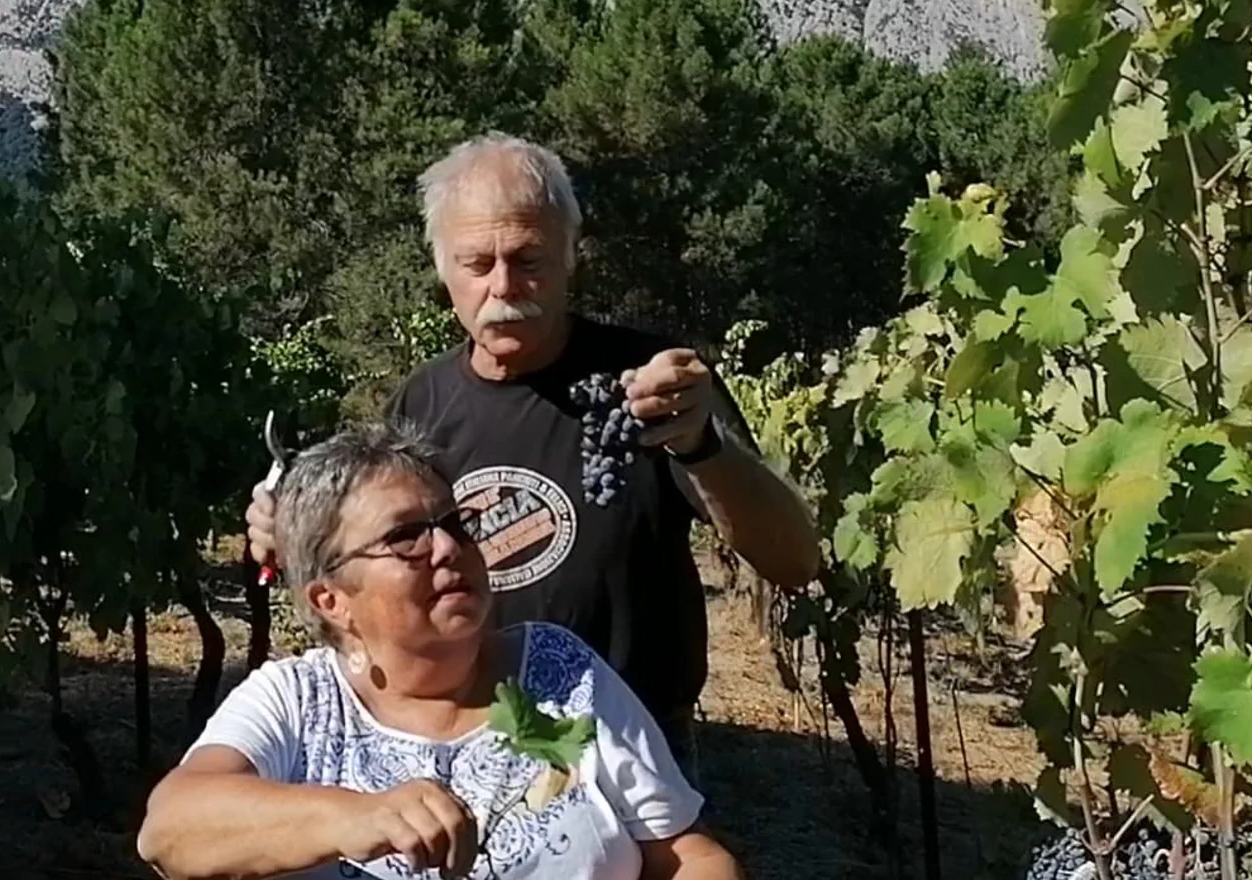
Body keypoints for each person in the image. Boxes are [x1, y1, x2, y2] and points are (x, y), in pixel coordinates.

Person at [247, 132, 821, 774]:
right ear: (444, 270)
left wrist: (702, 445)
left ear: (571, 256)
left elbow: (795, 561)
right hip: (466, 741)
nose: (503, 286)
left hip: (627, 744)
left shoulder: (651, 385)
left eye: (528, 260)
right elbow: (363, 559)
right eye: (478, 264)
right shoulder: (420, 400)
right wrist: (287, 532)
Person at [139, 422, 744, 880]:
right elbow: (170, 827)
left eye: (453, 524)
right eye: (405, 537)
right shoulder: (298, 701)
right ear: (330, 600)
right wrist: (355, 817)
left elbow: (688, 855)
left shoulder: (560, 674)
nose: (447, 548)